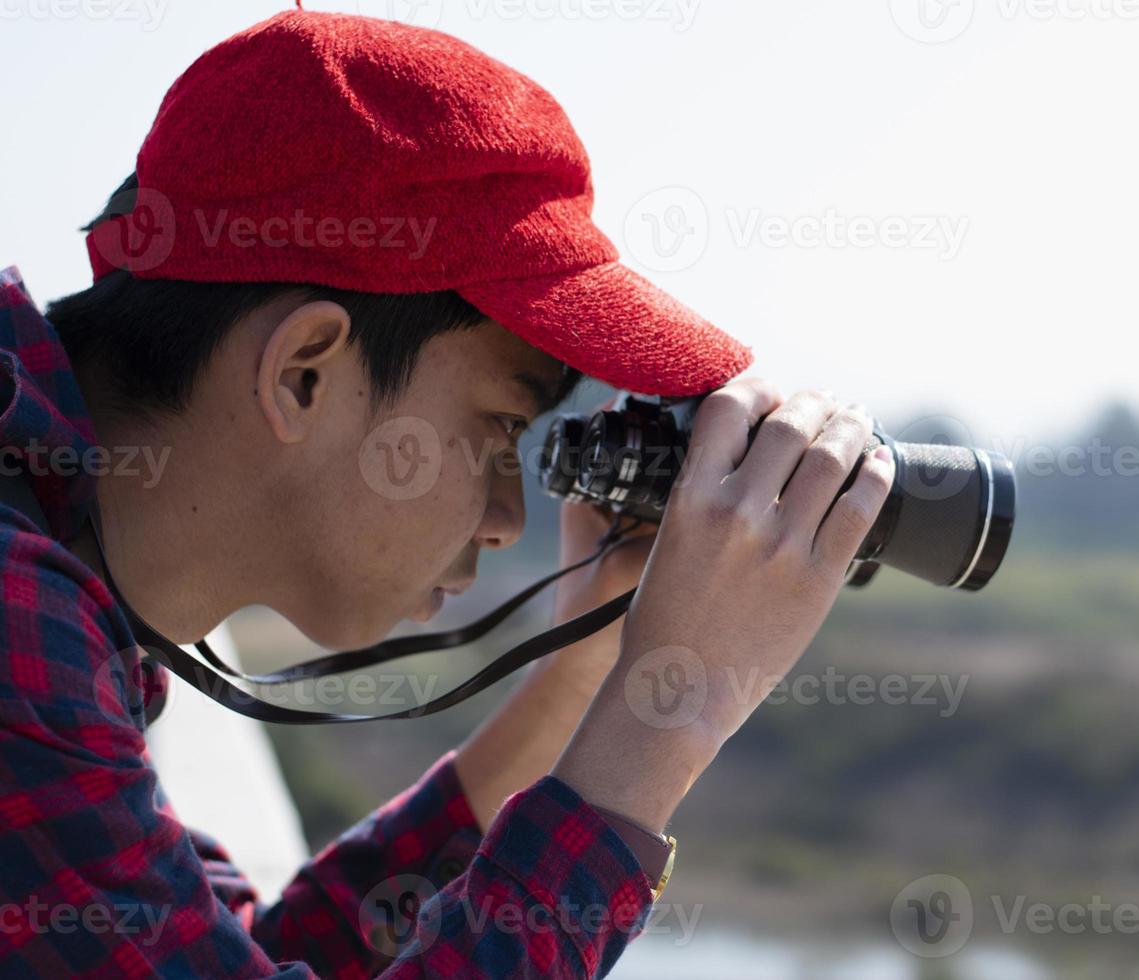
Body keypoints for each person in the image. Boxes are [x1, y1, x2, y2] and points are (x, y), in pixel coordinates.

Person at [0, 10, 895, 978]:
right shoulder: (17, 617)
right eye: (500, 427)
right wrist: (664, 721)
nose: (512, 514)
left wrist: (582, 673)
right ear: (305, 372)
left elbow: (232, 955)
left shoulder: (62, 568)